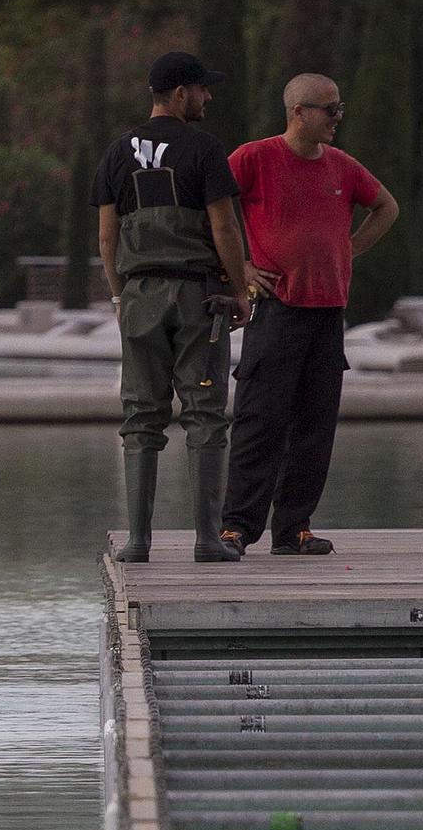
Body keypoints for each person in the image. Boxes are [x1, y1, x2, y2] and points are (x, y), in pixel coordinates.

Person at [217, 72, 399, 558]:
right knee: (259, 421)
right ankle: (236, 527)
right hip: (276, 310)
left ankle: (294, 528)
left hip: (327, 313)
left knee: (315, 426)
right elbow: (209, 209)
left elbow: (386, 207)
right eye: (329, 109)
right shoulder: (254, 157)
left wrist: (349, 251)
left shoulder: (342, 166)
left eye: (340, 108)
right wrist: (242, 269)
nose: (338, 118)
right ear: (298, 112)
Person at [92, 50, 252, 564]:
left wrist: (120, 295)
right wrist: (240, 288)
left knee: (141, 416)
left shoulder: (116, 152)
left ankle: (139, 542)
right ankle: (207, 540)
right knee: (205, 415)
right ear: (180, 94)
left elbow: (106, 236)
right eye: (203, 89)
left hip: (139, 297)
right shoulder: (204, 148)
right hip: (196, 298)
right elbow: (225, 226)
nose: (208, 97)